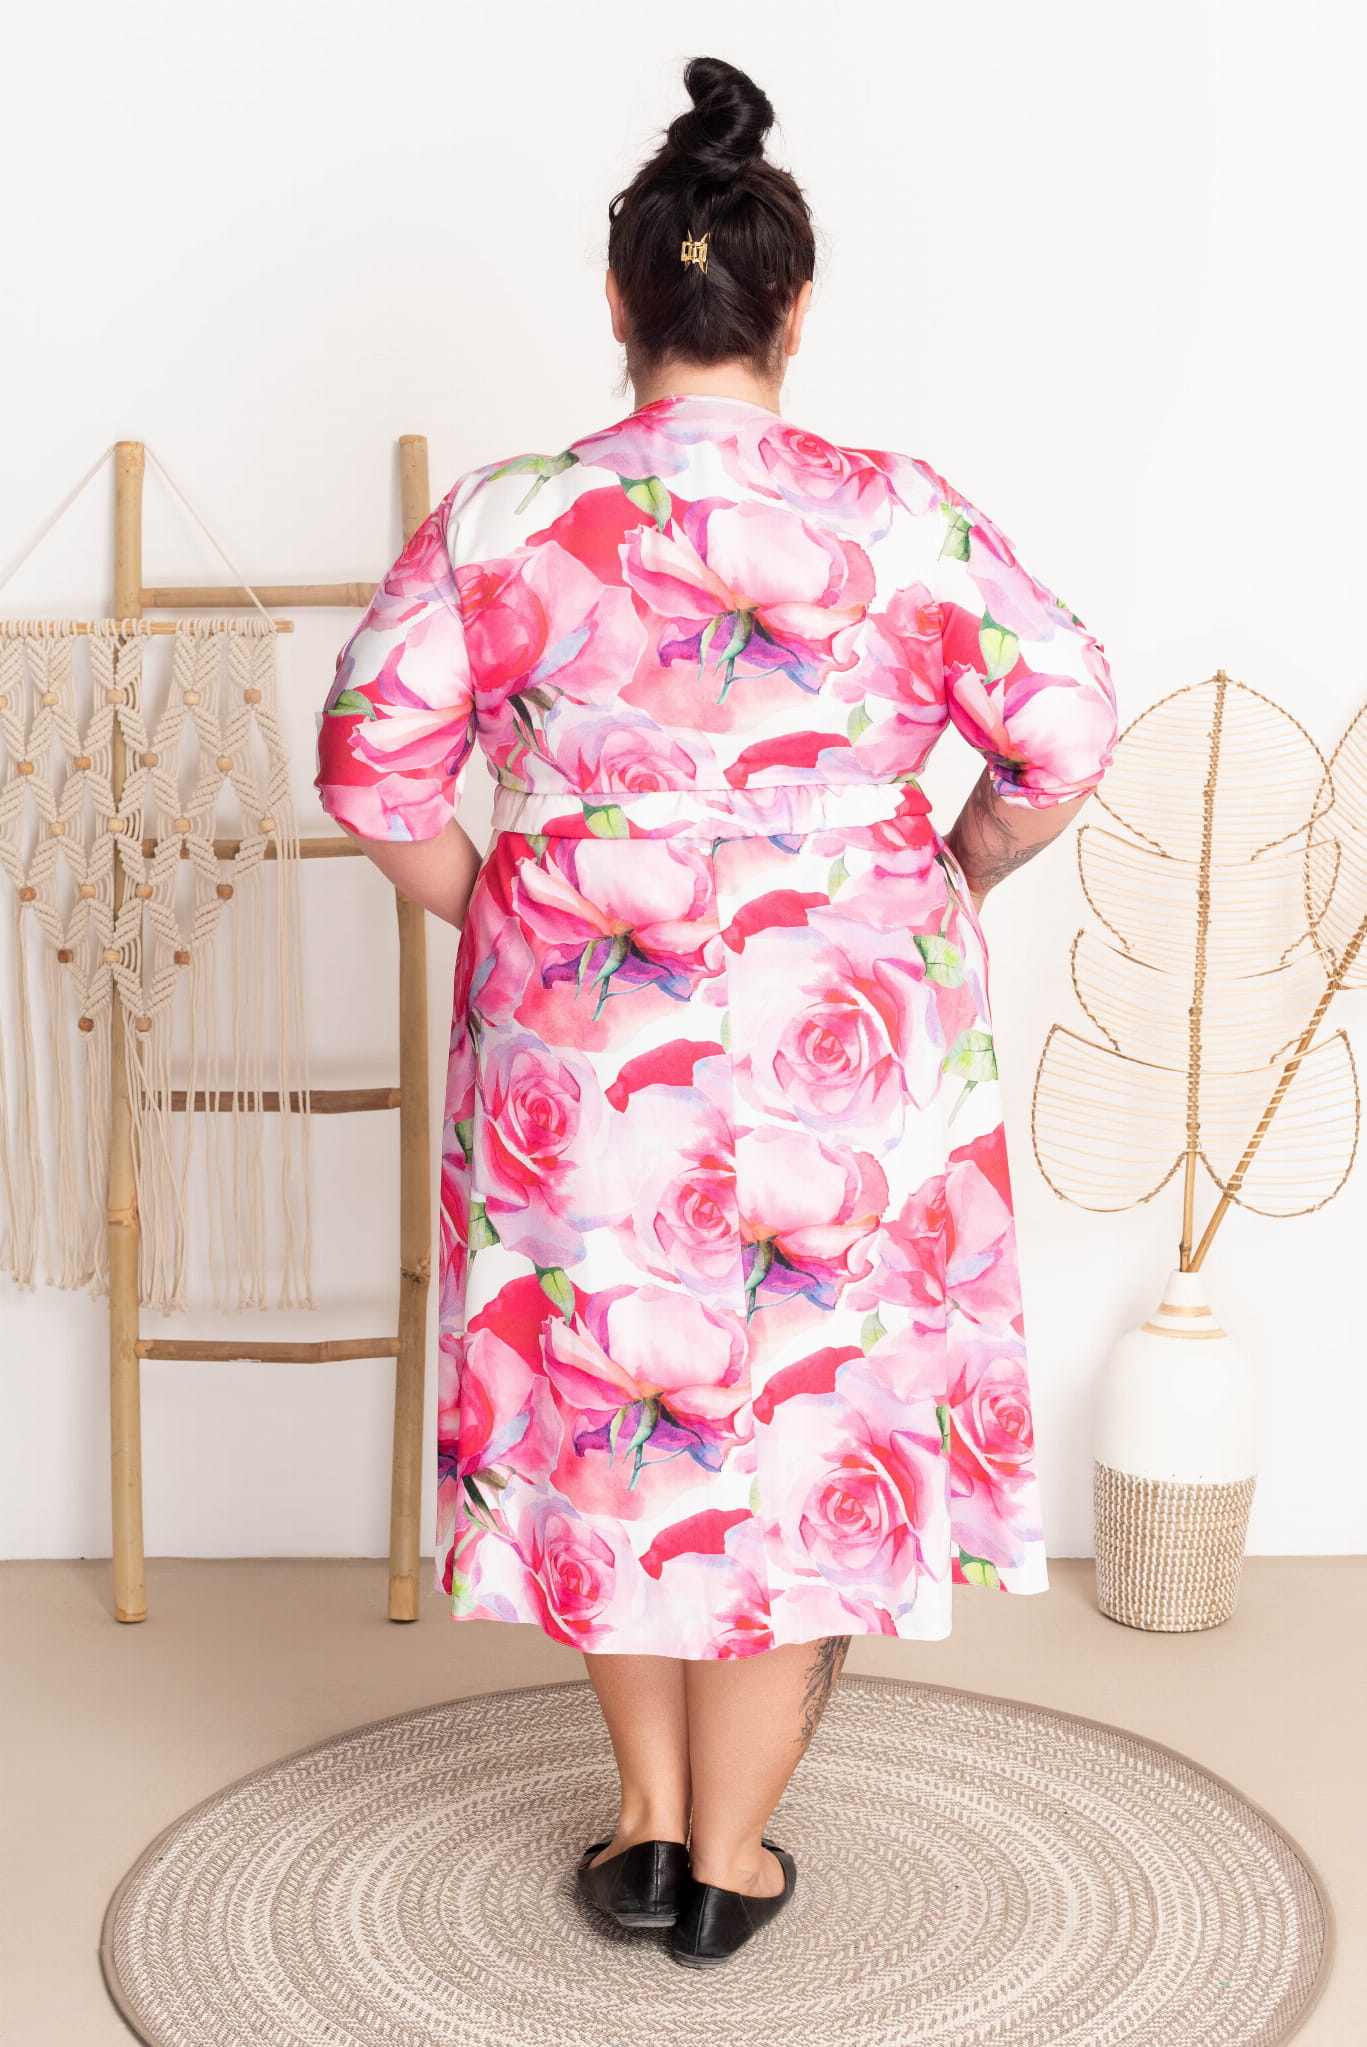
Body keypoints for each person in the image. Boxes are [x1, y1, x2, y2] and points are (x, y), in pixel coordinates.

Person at [314, 54, 1118, 1968]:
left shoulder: (507, 519)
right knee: (806, 1418)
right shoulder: (901, 517)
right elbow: (1068, 727)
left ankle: (650, 1824)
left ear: (620, 303)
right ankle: (729, 1857)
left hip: (586, 1036)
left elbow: (369, 766)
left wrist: (511, 909)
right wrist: (954, 867)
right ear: (793, 308)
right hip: (857, 1021)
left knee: (620, 1412)